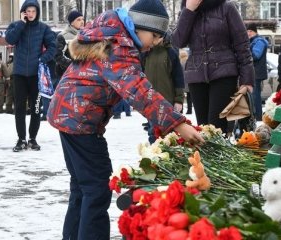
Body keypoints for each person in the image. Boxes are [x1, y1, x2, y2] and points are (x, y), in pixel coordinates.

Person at [46, 0, 204, 238]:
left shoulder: (111, 35)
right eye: (156, 36)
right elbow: (139, 92)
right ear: (142, 28)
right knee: (97, 189)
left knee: (82, 187)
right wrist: (178, 124)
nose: (157, 43)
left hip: (70, 115)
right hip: (79, 120)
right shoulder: (120, 46)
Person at [172, 0, 254, 134]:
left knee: (217, 128)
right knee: (203, 130)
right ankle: (206, 155)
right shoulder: (186, 9)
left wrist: (247, 80)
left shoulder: (226, 7)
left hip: (224, 74)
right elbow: (178, 41)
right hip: (197, 75)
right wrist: (189, 11)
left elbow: (242, 45)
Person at [5, 0, 56, 152]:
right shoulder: (16, 25)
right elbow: (10, 40)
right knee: (19, 107)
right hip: (19, 73)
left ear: (37, 12)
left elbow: (53, 47)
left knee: (35, 107)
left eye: (34, 11)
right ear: (23, 12)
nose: (31, 14)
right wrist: (21, 23)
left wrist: (42, 59)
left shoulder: (43, 28)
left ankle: (32, 139)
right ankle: (21, 139)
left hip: (36, 75)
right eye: (28, 11)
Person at [41, 10, 85, 121]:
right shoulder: (63, 36)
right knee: (68, 97)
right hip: (67, 73)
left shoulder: (85, 35)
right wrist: (72, 65)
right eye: (78, 20)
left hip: (83, 73)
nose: (82, 22)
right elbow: (58, 56)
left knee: (81, 97)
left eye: (82, 19)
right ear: (71, 22)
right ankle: (65, 117)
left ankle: (79, 117)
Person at [142, 32, 185, 143]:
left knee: (170, 135)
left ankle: (170, 158)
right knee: (152, 132)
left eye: (156, 36)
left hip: (168, 102)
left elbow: (178, 78)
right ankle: (154, 157)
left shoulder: (170, 52)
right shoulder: (145, 53)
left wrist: (179, 100)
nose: (153, 39)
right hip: (151, 102)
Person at [247, 23, 268, 121]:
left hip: (256, 73)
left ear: (255, 31)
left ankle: (258, 117)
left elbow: (255, 56)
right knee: (252, 97)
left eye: (250, 31)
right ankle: (254, 117)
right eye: (247, 31)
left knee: (255, 97)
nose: (248, 33)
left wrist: (246, 49)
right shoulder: (251, 41)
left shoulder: (258, 42)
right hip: (252, 73)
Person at [179, 49, 192, 114]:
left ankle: (181, 110)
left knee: (181, 96)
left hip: (182, 82)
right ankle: (189, 110)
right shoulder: (189, 61)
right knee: (189, 97)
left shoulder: (180, 62)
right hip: (189, 81)